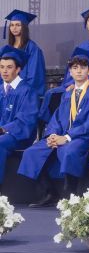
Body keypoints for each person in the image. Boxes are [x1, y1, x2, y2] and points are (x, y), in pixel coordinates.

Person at [18, 48, 89, 205]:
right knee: (32, 152)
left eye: (82, 68)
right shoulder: (67, 94)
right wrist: (52, 135)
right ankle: (49, 193)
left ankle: (72, 195)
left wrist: (66, 137)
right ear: (70, 72)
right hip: (63, 135)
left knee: (69, 150)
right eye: (74, 68)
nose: (78, 71)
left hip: (86, 136)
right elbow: (57, 117)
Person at [39, 4, 89, 123]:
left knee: (85, 94)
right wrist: (72, 84)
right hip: (79, 83)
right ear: (86, 24)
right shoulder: (82, 46)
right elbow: (72, 70)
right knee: (52, 93)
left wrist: (84, 84)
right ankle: (49, 127)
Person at [0, 46, 39, 193]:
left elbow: (26, 120)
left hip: (19, 135)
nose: (4, 71)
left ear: (17, 70)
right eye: (2, 67)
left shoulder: (27, 91)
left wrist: (4, 129)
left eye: (9, 67)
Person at [4, 10, 46, 96]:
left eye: (18, 25)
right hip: (8, 91)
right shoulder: (8, 48)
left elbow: (34, 74)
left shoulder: (33, 48)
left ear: (24, 27)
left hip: (24, 92)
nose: (14, 28)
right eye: (12, 25)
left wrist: (23, 91)